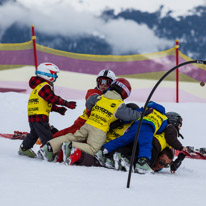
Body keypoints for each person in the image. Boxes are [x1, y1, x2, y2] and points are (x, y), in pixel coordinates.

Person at [40, 78, 142, 162]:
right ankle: (71, 146)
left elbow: (89, 103)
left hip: (88, 124)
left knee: (72, 136)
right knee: (94, 149)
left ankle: (50, 146)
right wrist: (142, 113)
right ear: (124, 93)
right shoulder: (119, 105)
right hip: (99, 129)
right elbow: (130, 115)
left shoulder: (101, 98)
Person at [53, 69, 116, 162]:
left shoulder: (112, 98)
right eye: (100, 81)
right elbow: (92, 98)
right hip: (83, 122)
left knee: (86, 143)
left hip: (96, 126)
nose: (103, 84)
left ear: (112, 84)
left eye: (107, 82)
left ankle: (71, 155)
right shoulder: (94, 92)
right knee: (68, 135)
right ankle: (51, 148)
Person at [18, 62, 77, 158]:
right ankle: (49, 153)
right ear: (47, 74)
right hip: (40, 117)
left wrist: (58, 109)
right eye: (55, 74)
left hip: (33, 116)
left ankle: (24, 148)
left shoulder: (38, 87)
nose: (56, 77)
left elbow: (47, 103)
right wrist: (66, 103)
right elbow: (52, 98)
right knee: (47, 135)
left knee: (34, 133)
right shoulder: (44, 86)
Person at [95, 101, 169, 173]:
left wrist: (121, 122)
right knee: (145, 145)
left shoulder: (146, 109)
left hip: (136, 126)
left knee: (122, 140)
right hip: (148, 129)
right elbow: (161, 129)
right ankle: (142, 163)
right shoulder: (164, 117)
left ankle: (102, 150)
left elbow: (132, 116)